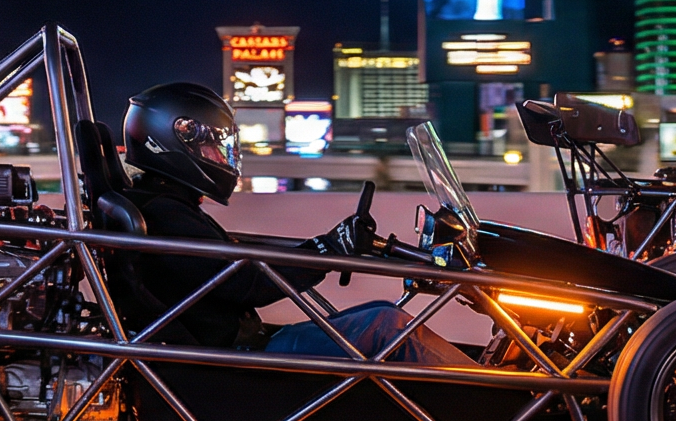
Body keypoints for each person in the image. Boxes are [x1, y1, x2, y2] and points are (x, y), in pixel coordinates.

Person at [119, 82, 469, 367]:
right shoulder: (165, 214)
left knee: (382, 312)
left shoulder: (165, 206)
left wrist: (325, 246)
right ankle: (500, 402)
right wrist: (327, 250)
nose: (221, 156)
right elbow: (245, 283)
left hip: (236, 350)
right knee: (385, 328)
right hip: (234, 365)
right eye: (212, 146)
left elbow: (233, 268)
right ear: (171, 141)